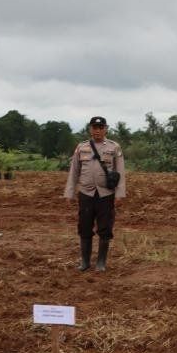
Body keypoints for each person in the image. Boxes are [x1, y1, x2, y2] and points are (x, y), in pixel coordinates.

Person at [64, 116, 126, 272]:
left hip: (106, 194)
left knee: (105, 228)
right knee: (84, 227)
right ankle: (85, 262)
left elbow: (121, 172)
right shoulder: (81, 147)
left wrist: (119, 194)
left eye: (100, 127)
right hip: (86, 194)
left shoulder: (114, 147)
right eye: (94, 128)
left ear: (106, 129)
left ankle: (101, 263)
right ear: (90, 129)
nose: (97, 130)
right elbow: (74, 172)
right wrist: (70, 193)